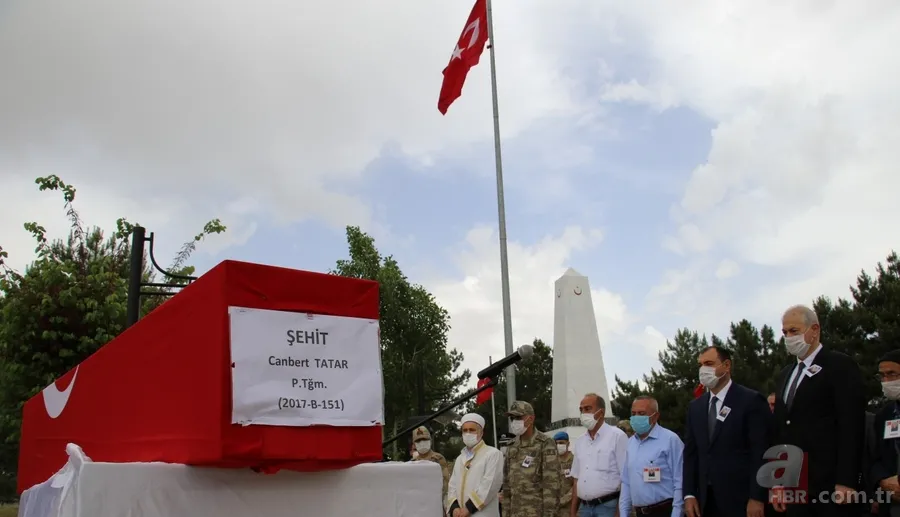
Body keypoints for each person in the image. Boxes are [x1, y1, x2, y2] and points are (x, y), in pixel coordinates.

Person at [771, 305, 865, 516]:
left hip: (830, 483)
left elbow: (851, 425)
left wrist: (847, 480)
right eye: (785, 332)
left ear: (814, 330)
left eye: (794, 331)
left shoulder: (839, 365)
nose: (788, 337)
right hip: (794, 484)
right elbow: (780, 429)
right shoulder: (786, 374)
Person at [683, 346, 771, 517]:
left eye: (709, 363)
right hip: (705, 502)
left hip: (741, 500)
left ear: (726, 365)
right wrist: (689, 494)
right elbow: (691, 455)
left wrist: (757, 497)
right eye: (700, 365)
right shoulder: (696, 407)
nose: (703, 370)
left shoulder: (751, 401)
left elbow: (760, 452)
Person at [619, 395, 684, 517]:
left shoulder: (670, 440)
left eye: (641, 413)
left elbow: (680, 481)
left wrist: (677, 513)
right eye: (633, 413)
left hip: (664, 510)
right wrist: (624, 513)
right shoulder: (631, 443)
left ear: (655, 416)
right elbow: (626, 482)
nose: (636, 417)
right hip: (640, 512)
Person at [570, 393, 628, 517]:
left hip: (607, 507)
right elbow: (576, 479)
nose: (583, 413)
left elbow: (626, 478)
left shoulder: (617, 436)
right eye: (581, 410)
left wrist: (619, 512)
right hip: (584, 508)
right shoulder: (580, 441)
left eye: (587, 409)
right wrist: (573, 511)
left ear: (601, 412)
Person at [502, 400, 562, 517]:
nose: (514, 422)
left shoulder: (545, 443)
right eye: (512, 418)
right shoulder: (512, 446)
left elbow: (551, 485)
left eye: (518, 417)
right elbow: (507, 486)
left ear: (531, 419)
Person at [448, 413, 504, 517]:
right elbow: (452, 486)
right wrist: (454, 507)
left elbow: (490, 485)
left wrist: (468, 508)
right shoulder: (460, 459)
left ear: (481, 432)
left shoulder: (493, 454)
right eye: (465, 430)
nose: (468, 433)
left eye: (472, 430)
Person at [870, 350, 900, 517]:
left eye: (892, 374)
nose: (886, 381)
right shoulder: (885, 415)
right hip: (892, 504)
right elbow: (874, 457)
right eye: (882, 376)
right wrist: (882, 481)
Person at [411, 425, 451, 504]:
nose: (421, 442)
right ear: (414, 444)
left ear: (430, 440)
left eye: (424, 439)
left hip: (436, 501)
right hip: (418, 502)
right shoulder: (413, 462)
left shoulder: (438, 458)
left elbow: (446, 483)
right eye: (418, 441)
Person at [555, 431, 575, 517]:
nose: (558, 446)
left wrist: (563, 500)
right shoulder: (551, 461)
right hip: (553, 508)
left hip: (569, 508)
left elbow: (576, 485)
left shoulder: (574, 461)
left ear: (568, 443)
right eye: (556, 443)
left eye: (561, 443)